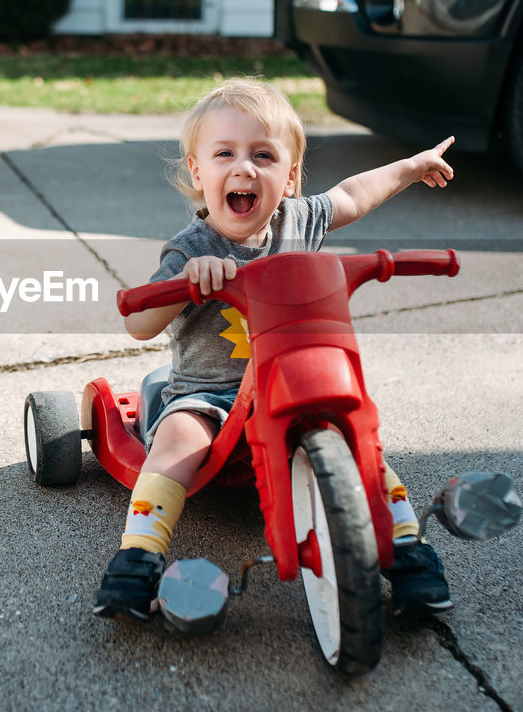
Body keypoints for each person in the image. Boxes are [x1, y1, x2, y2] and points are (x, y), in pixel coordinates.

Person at [93, 78, 456, 622]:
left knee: (366, 452)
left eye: (263, 155)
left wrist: (410, 166)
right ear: (198, 173)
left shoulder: (299, 222)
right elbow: (140, 324)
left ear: (289, 178)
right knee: (176, 441)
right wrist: (191, 281)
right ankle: (137, 557)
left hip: (293, 385)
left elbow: (354, 194)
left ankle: (406, 548)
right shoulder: (193, 248)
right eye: (225, 154)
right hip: (209, 394)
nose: (244, 168)